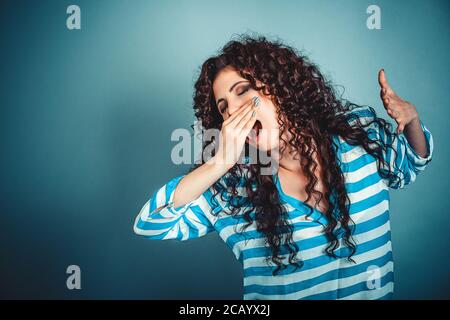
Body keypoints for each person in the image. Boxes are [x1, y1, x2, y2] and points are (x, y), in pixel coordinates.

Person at [133, 34, 433, 300]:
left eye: (242, 90)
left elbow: (410, 164)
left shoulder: (359, 138)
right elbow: (151, 223)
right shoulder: (235, 192)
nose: (234, 110)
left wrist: (412, 120)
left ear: (279, 88)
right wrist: (219, 162)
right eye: (223, 108)